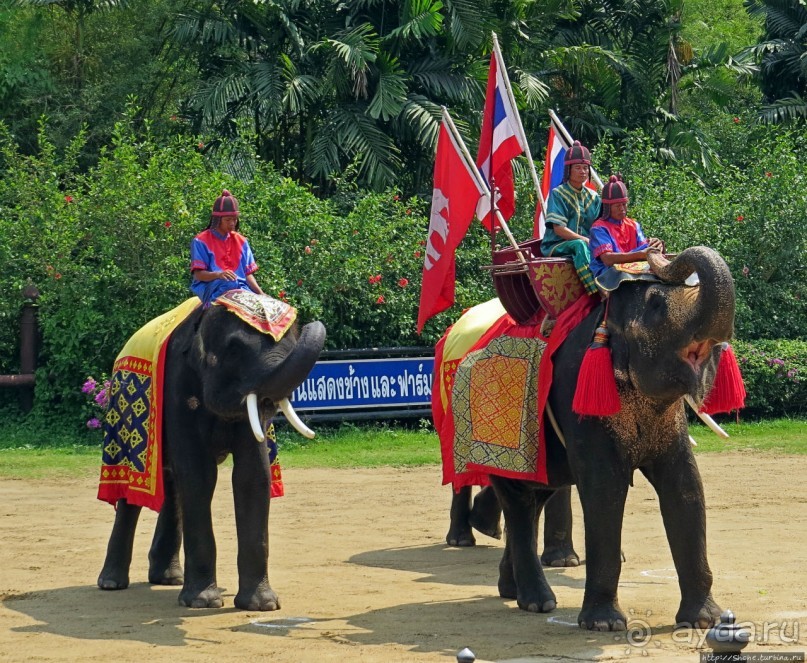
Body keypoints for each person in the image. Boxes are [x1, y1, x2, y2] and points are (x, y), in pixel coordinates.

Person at [540, 141, 600, 296]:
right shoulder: (558, 194)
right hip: (557, 245)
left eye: (585, 168)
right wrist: (584, 239)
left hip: (587, 244)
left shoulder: (594, 197)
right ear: (569, 170)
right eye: (578, 168)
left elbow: (601, 226)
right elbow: (559, 229)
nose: (583, 172)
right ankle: (596, 290)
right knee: (579, 245)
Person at [190, 189, 265, 307]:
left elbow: (247, 275)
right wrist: (218, 275)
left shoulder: (242, 241)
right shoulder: (200, 241)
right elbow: (198, 275)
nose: (232, 223)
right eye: (228, 220)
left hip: (240, 288)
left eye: (234, 219)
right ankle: (210, 307)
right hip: (211, 287)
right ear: (217, 220)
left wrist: (261, 294)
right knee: (230, 282)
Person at [588, 174, 664, 287]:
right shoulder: (599, 228)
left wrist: (654, 245)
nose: (622, 209)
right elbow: (608, 259)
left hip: (634, 267)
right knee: (624, 277)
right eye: (617, 206)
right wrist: (641, 254)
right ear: (608, 207)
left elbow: (643, 248)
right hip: (608, 272)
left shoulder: (633, 225)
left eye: (624, 204)